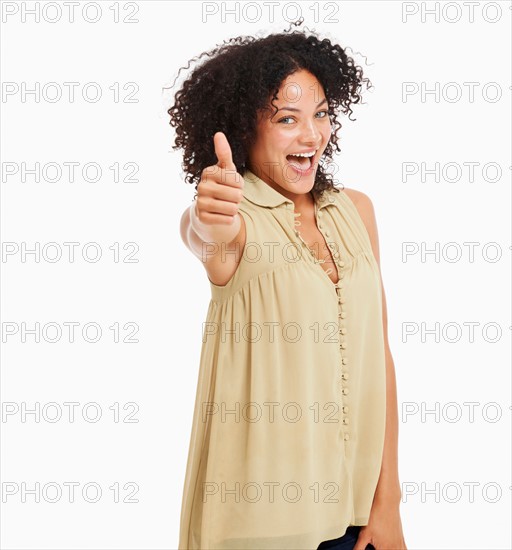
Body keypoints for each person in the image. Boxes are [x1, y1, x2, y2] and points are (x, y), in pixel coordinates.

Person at [167, 19, 407, 550]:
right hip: (260, 527)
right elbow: (204, 234)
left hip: (358, 518)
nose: (311, 136)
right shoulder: (235, 217)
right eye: (286, 119)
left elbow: (379, 357)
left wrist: (388, 502)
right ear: (243, 126)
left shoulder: (356, 212)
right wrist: (208, 215)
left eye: (320, 115)